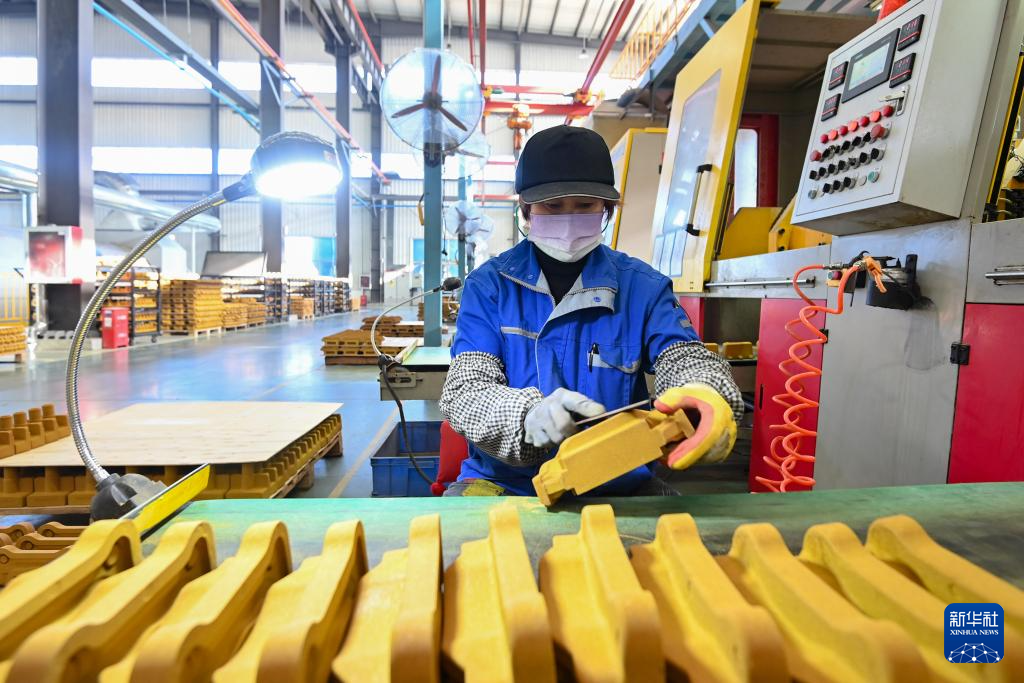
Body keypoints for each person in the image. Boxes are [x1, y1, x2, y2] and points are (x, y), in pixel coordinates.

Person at [438, 125, 743, 497]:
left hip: (616, 483)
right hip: (504, 482)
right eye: (553, 206)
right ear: (526, 210)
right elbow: (466, 388)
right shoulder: (490, 286)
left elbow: (684, 357)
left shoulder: (642, 288)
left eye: (584, 205)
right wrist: (526, 416)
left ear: (606, 209)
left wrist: (705, 393)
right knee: (459, 532)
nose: (569, 218)